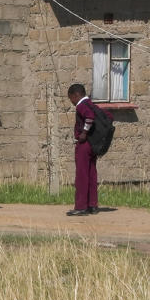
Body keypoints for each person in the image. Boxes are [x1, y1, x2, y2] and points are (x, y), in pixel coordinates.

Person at [66, 83, 100, 216]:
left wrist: (84, 132)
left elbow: (90, 117)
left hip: (84, 144)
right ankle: (92, 205)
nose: (72, 102)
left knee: (81, 175)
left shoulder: (81, 105)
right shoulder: (90, 103)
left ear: (76, 95)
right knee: (91, 174)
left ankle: (81, 206)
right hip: (93, 144)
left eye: (71, 99)